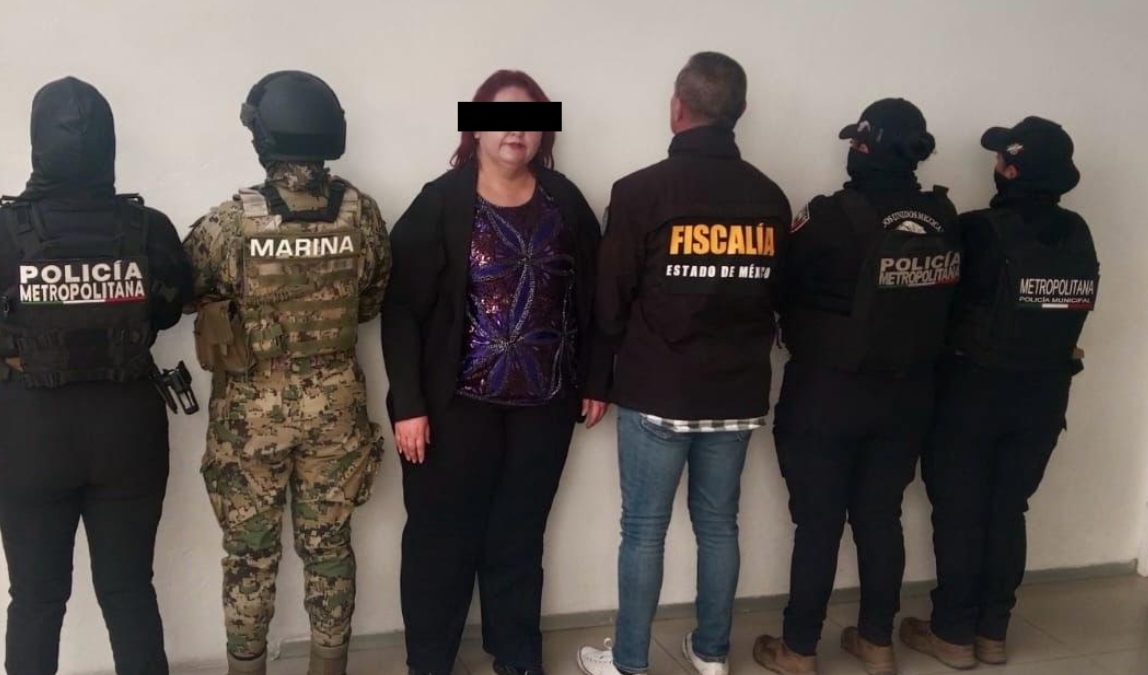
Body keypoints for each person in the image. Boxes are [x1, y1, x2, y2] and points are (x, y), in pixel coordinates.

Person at [0, 76, 191, 675]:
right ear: (109, 143)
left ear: (38, 143)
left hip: (31, 430)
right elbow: (168, 312)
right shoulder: (150, 228)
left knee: (35, 598)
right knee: (129, 591)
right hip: (127, 426)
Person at [382, 69, 609, 675]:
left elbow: (596, 294)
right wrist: (409, 403)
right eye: (503, 117)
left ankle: (517, 656)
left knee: (518, 538)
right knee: (441, 543)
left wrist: (596, 378)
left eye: (531, 119)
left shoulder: (565, 201)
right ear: (475, 126)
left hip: (544, 407)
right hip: (454, 409)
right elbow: (400, 309)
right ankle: (430, 662)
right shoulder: (441, 202)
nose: (517, 130)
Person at [576, 52, 790, 675]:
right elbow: (778, 294)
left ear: (677, 108)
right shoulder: (770, 196)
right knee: (720, 527)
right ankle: (712, 653)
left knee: (644, 530)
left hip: (658, 392)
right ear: (740, 111)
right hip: (737, 394)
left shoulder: (640, 192)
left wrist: (596, 380)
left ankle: (630, 663)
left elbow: (610, 300)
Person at [184, 70, 391, 675]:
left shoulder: (231, 223)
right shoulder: (363, 215)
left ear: (264, 138)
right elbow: (371, 302)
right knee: (330, 550)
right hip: (337, 411)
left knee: (249, 557)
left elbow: (186, 289)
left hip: (250, 418)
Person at [754, 99, 960, 675]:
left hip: (829, 393)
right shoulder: (944, 216)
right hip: (909, 395)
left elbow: (778, 286)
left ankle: (798, 649)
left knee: (818, 523)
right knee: (880, 517)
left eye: (857, 142)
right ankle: (876, 641)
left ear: (865, 147)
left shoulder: (828, 217)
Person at [901, 117, 1096, 671]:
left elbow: (935, 305)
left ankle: (952, 633)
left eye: (1000, 158)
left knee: (960, 513)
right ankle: (993, 633)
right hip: (1045, 397)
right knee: (1009, 511)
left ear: (1011, 170)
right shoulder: (1078, 231)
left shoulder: (978, 230)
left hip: (972, 395)